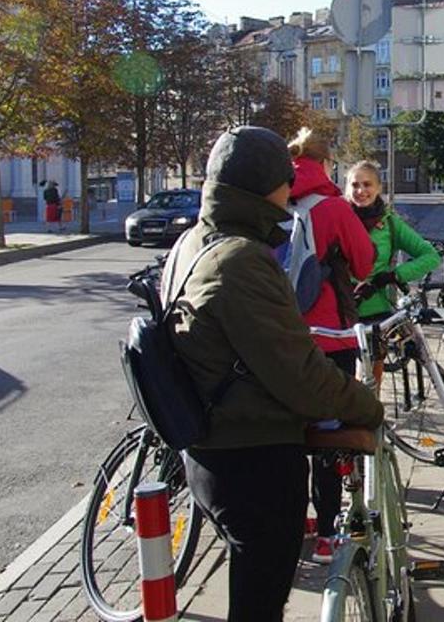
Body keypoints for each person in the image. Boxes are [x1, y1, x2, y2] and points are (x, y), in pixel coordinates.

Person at [163, 126, 383, 622]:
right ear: (264, 187)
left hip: (209, 447)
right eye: (285, 183)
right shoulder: (239, 260)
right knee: (259, 599)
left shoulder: (190, 243)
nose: (291, 193)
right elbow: (300, 375)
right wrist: (367, 405)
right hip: (253, 458)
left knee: (253, 587)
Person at [286, 128, 377, 565]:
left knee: (287, 431)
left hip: (278, 336)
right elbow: (364, 262)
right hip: (329, 337)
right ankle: (325, 534)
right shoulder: (333, 207)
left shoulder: (272, 200)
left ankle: (293, 520)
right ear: (326, 165)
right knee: (325, 434)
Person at [344, 159, 441, 320]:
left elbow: (431, 256)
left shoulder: (390, 223)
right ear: (347, 188)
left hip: (378, 314)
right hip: (339, 312)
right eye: (355, 185)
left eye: (367, 184)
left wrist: (393, 276)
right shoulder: (338, 220)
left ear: (379, 188)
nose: (361, 191)